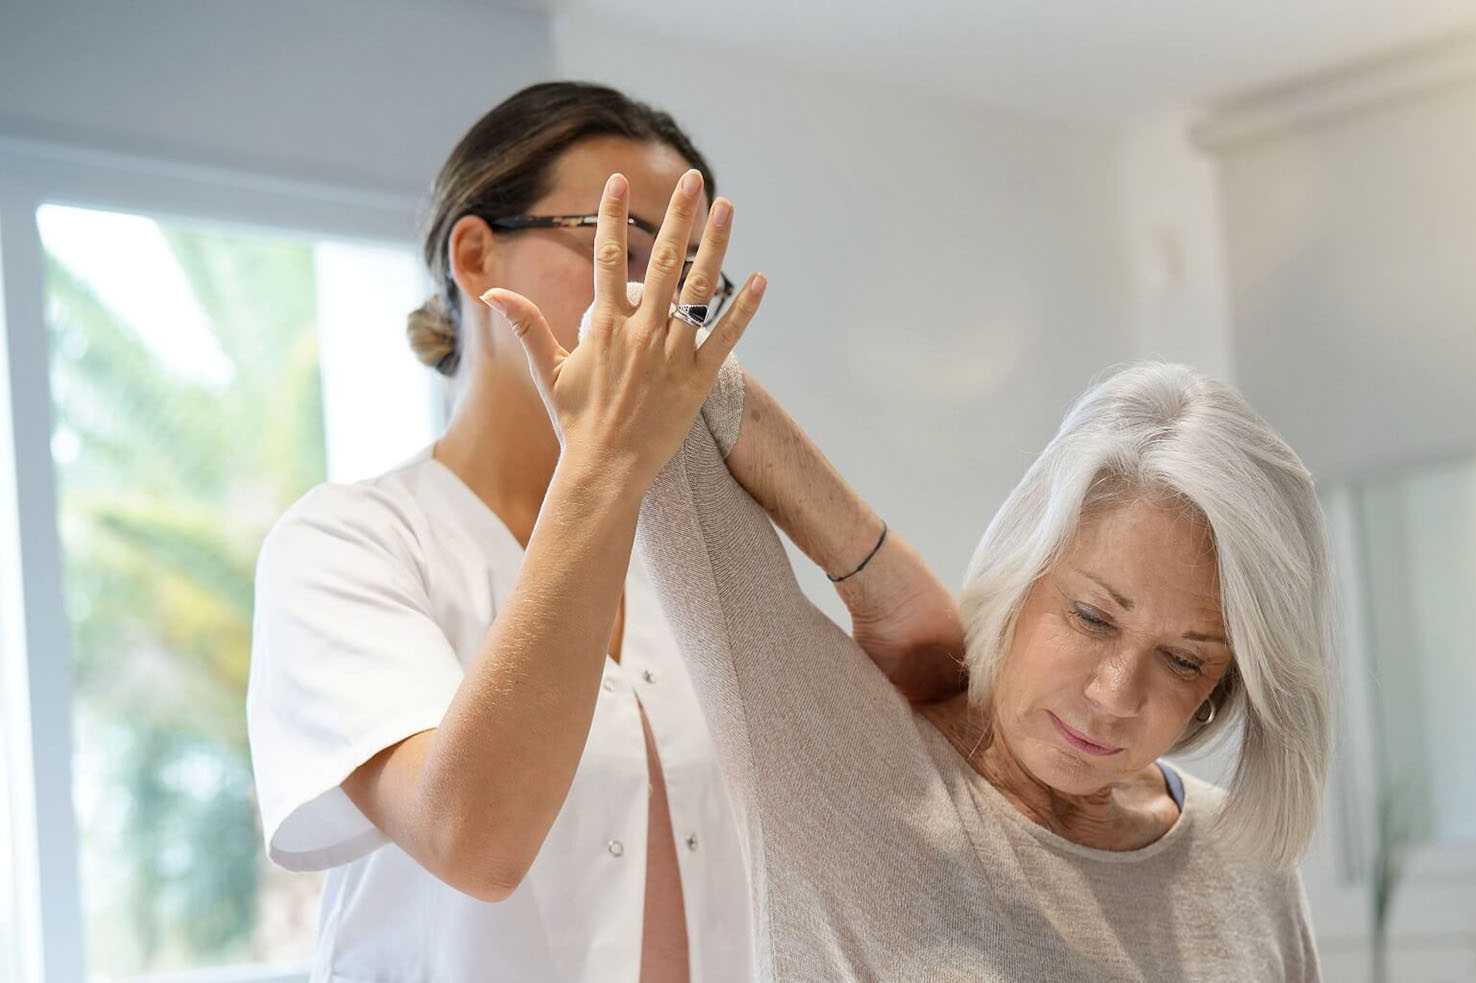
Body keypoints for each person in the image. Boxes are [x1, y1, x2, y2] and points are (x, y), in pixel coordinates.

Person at [485, 170, 1333, 980]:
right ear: (1026, 563)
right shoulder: (854, 774)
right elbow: (666, 390)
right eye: (1092, 616)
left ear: (1225, 685)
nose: (1117, 693)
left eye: (1184, 659)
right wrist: (881, 572)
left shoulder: (1243, 860)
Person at [245, 81, 949, 982]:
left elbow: (936, 698)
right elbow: (475, 841)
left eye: (693, 279)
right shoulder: (348, 546)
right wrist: (606, 464)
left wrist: (752, 440)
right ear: (475, 254)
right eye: (626, 250)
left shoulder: (694, 556)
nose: (660, 306)